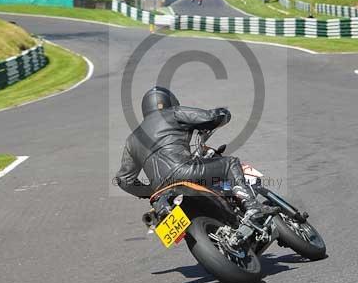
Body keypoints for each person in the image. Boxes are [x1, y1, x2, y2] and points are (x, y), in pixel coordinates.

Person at [114, 86, 272, 222]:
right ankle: (252, 206)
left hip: (161, 192)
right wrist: (223, 114)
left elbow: (124, 180)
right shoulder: (173, 113)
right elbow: (209, 117)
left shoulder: (131, 140)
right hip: (184, 171)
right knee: (230, 163)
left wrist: (150, 191)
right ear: (170, 102)